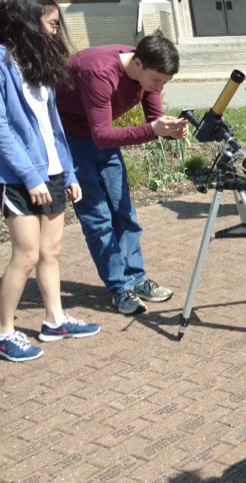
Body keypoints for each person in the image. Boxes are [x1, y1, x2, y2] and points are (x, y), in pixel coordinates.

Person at [56, 31, 187, 315]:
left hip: (103, 138)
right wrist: (153, 131)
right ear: (137, 64)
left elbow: (153, 120)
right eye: (156, 81)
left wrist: (170, 130)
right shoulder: (98, 72)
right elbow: (102, 135)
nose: (157, 87)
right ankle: (119, 288)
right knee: (98, 219)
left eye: (163, 83)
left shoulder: (148, 71)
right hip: (72, 141)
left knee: (124, 212)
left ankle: (137, 280)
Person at [0, 0, 101, 361]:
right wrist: (29, 177)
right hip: (19, 178)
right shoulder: (2, 61)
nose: (56, 30)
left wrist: (69, 172)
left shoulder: (37, 66)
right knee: (26, 255)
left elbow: (53, 126)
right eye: (51, 24)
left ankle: (54, 321)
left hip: (55, 171)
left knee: (51, 252)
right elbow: (3, 130)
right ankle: (4, 331)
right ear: (27, 23)